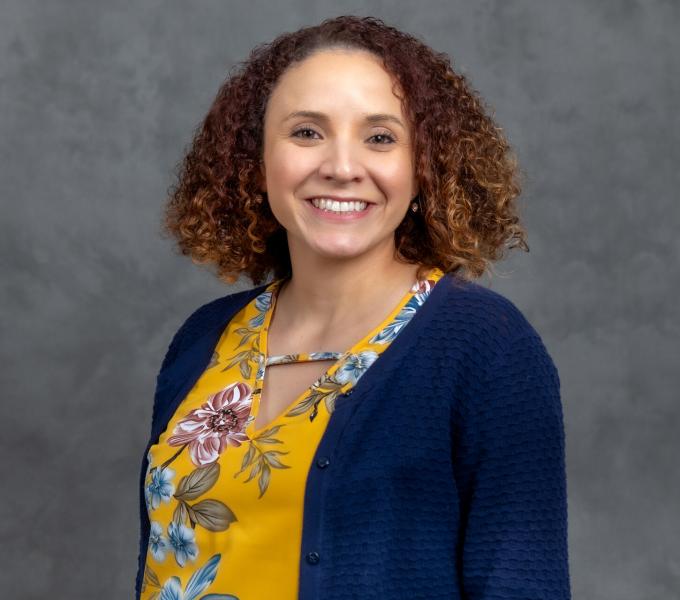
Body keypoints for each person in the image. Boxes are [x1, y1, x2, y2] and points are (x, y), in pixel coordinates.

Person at [136, 15, 571, 600]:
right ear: (255, 162)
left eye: (380, 137)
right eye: (307, 133)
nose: (342, 167)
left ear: (423, 169)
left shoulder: (486, 348)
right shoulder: (203, 339)